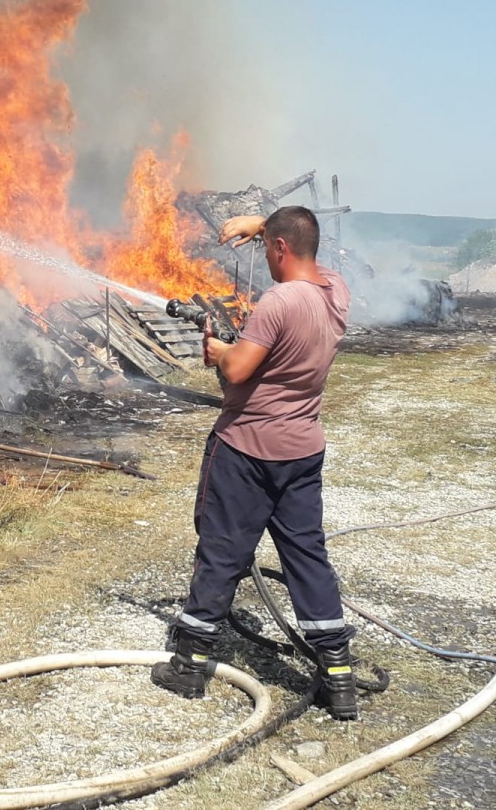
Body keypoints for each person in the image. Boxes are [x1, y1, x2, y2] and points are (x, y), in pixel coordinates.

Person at [152, 206, 359, 720]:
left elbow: (240, 369)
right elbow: (306, 248)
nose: (265, 255)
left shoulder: (278, 301)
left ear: (281, 248)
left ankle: (191, 663)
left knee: (222, 549)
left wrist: (219, 351)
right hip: (302, 448)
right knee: (307, 554)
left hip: (246, 447)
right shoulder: (336, 292)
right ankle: (337, 674)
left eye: (268, 246)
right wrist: (265, 224)